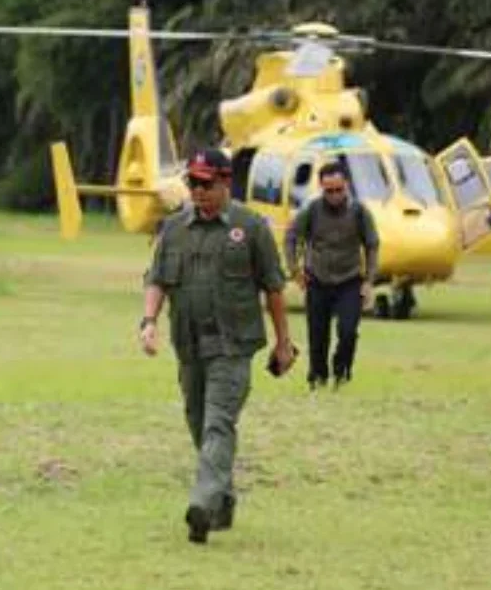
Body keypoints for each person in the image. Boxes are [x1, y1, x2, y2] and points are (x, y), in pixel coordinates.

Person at [139, 148, 295, 545]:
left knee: (217, 423)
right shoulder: (174, 228)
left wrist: (283, 343)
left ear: (226, 182)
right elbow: (157, 279)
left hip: (232, 345)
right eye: (192, 183)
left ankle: (202, 506)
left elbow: (274, 288)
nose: (198, 191)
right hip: (189, 344)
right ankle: (221, 499)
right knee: (198, 422)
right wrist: (149, 322)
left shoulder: (251, 227)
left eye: (206, 184)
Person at [284, 161, 379, 391]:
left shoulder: (359, 212)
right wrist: (295, 270)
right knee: (317, 334)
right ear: (321, 187)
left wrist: (369, 281)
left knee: (348, 332)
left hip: (350, 281)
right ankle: (318, 376)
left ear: (346, 185)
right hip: (317, 280)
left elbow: (372, 245)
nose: (334, 195)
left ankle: (342, 371)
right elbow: (291, 237)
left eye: (339, 190)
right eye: (329, 191)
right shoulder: (312, 210)